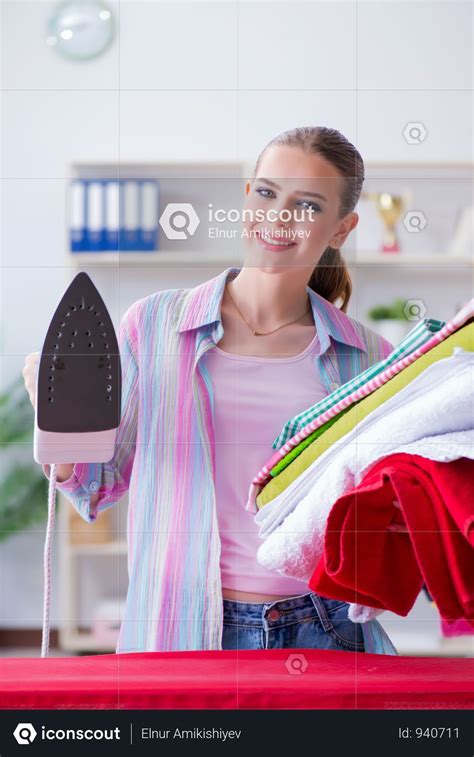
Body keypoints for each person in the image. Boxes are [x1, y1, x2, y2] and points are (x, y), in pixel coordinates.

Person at [24, 126, 396, 654]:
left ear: (341, 228)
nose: (279, 217)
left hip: (325, 627)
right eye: (267, 193)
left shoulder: (369, 357)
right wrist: (61, 432)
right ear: (248, 197)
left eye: (308, 205)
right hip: (181, 625)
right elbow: (98, 485)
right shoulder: (152, 326)